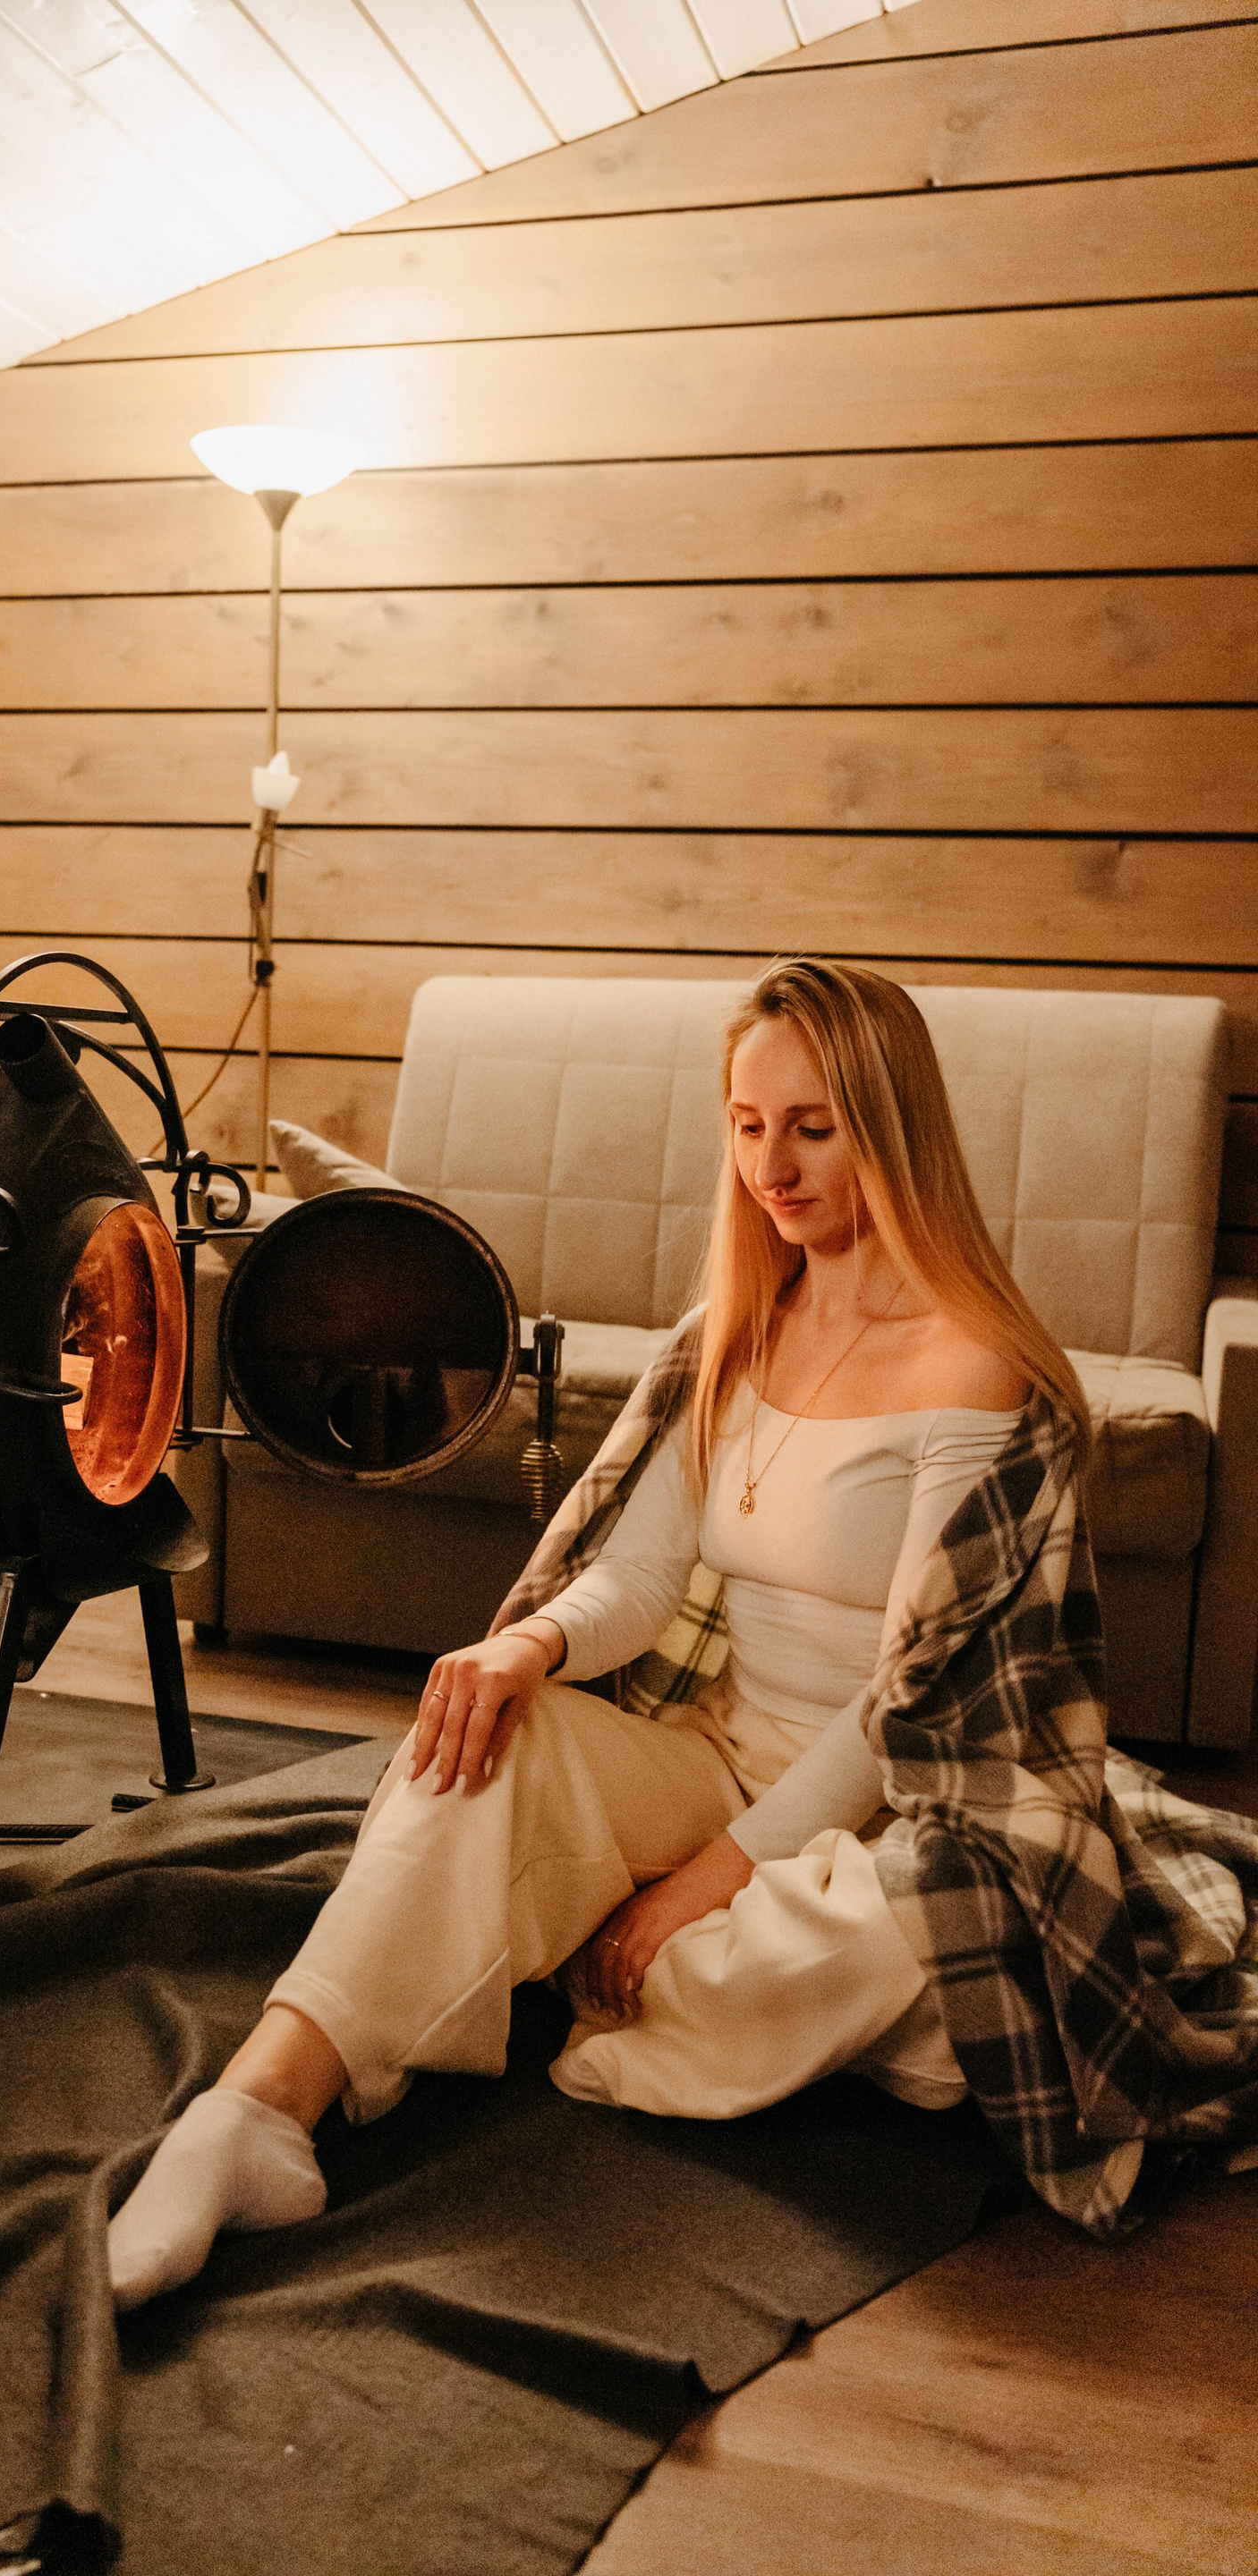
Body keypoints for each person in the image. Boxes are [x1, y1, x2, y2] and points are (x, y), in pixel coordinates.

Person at [101, 959, 1177, 2304]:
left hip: (901, 1806)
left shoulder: (973, 1363)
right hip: (715, 1750)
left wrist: (704, 1881)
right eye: (747, 1124)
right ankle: (252, 2116)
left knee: (855, 1948)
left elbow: (899, 1705)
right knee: (474, 1752)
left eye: (812, 1127)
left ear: (892, 1127)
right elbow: (642, 1581)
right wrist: (530, 1648)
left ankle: (553, 1938)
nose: (770, 1167)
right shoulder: (729, 1334)